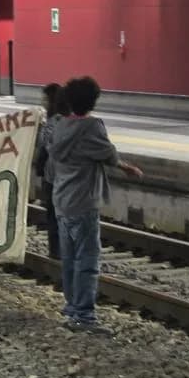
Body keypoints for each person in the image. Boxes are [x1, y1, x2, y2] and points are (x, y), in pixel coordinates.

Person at [48, 76, 143, 335]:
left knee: (69, 258)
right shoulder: (91, 128)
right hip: (83, 203)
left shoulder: (58, 126)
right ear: (92, 102)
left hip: (62, 201)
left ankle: (71, 306)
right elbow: (108, 154)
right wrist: (127, 168)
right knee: (87, 260)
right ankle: (84, 316)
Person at [34, 83, 70, 259]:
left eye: (45, 99)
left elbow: (44, 146)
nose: (43, 102)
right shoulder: (70, 120)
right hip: (68, 177)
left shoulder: (53, 122)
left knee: (54, 215)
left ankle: (56, 251)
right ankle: (65, 250)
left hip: (52, 176)